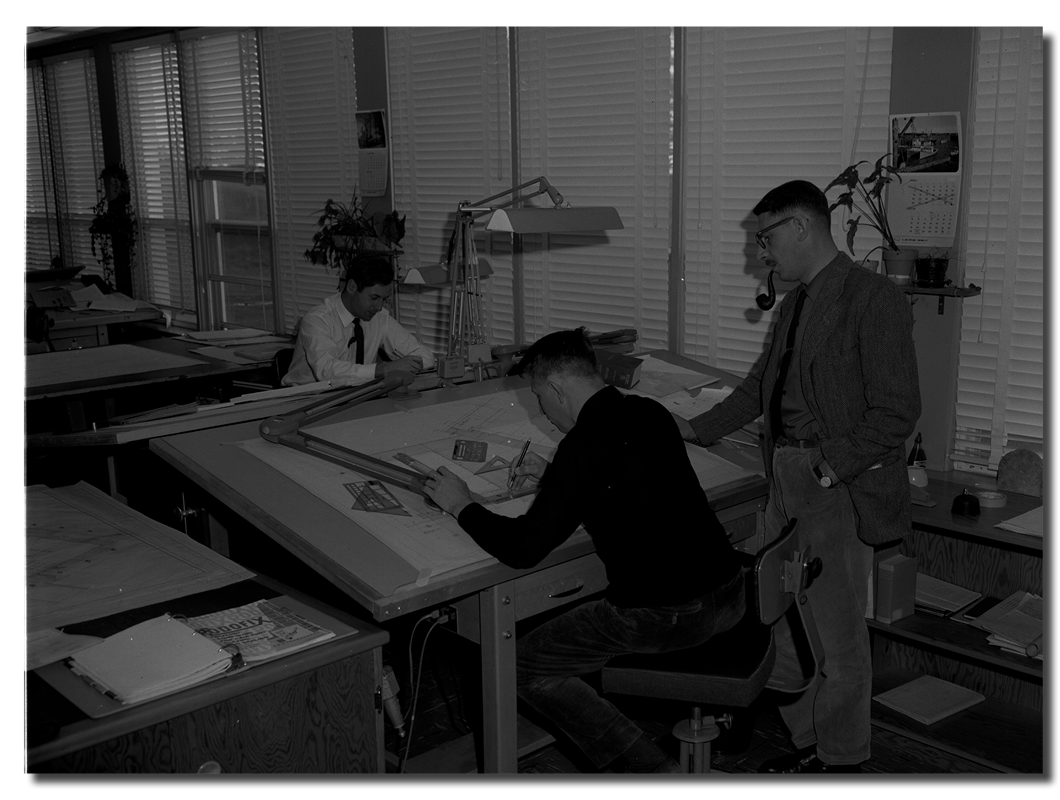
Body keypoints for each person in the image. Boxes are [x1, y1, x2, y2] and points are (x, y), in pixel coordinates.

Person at [676, 180, 921, 773]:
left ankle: (841, 763)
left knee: (837, 641)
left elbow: (897, 411)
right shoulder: (793, 304)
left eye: (767, 237)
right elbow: (760, 388)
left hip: (831, 484)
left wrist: (826, 470)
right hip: (786, 478)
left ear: (802, 227)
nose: (762, 252)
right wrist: (690, 429)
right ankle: (813, 740)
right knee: (779, 625)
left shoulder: (872, 298)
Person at [422, 327, 745, 774]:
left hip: (667, 615)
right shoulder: (651, 412)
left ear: (556, 387)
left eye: (539, 399)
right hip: (730, 592)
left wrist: (462, 505)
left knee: (522, 666)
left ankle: (651, 770)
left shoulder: (583, 447)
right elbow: (632, 477)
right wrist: (558, 477)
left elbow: (523, 548)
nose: (544, 413)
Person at [283, 255, 434, 387]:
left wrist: (408, 363)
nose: (379, 306)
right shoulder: (317, 320)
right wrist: (382, 369)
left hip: (355, 397)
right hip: (304, 398)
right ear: (352, 286)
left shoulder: (379, 318)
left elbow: (426, 356)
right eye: (374, 298)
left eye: (384, 299)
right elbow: (327, 371)